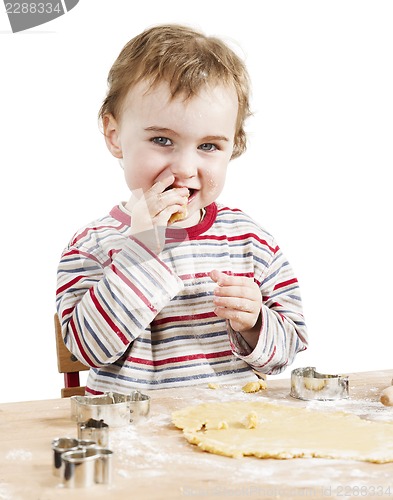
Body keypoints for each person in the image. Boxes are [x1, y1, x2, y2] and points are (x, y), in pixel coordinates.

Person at [56, 24, 308, 395]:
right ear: (114, 135)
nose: (186, 169)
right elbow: (88, 349)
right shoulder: (92, 244)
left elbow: (288, 348)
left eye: (208, 146)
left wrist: (255, 322)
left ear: (232, 147)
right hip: (131, 434)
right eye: (162, 140)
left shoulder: (250, 241)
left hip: (230, 433)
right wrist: (141, 250)